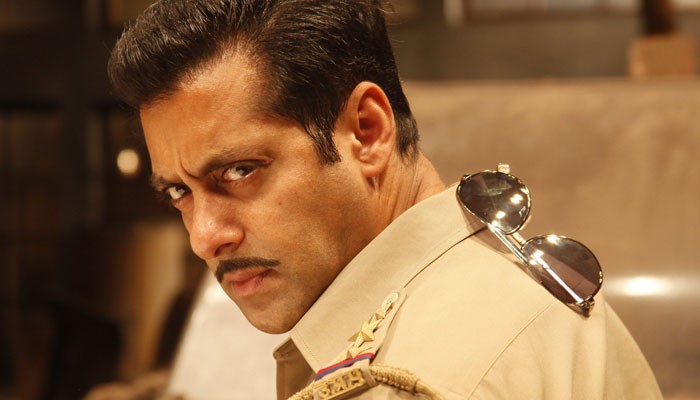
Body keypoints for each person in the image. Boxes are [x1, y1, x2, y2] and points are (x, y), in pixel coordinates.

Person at [108, 0, 662, 398]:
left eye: (239, 171)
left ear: (366, 132)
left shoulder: (410, 379)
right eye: (179, 192)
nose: (205, 237)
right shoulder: (499, 284)